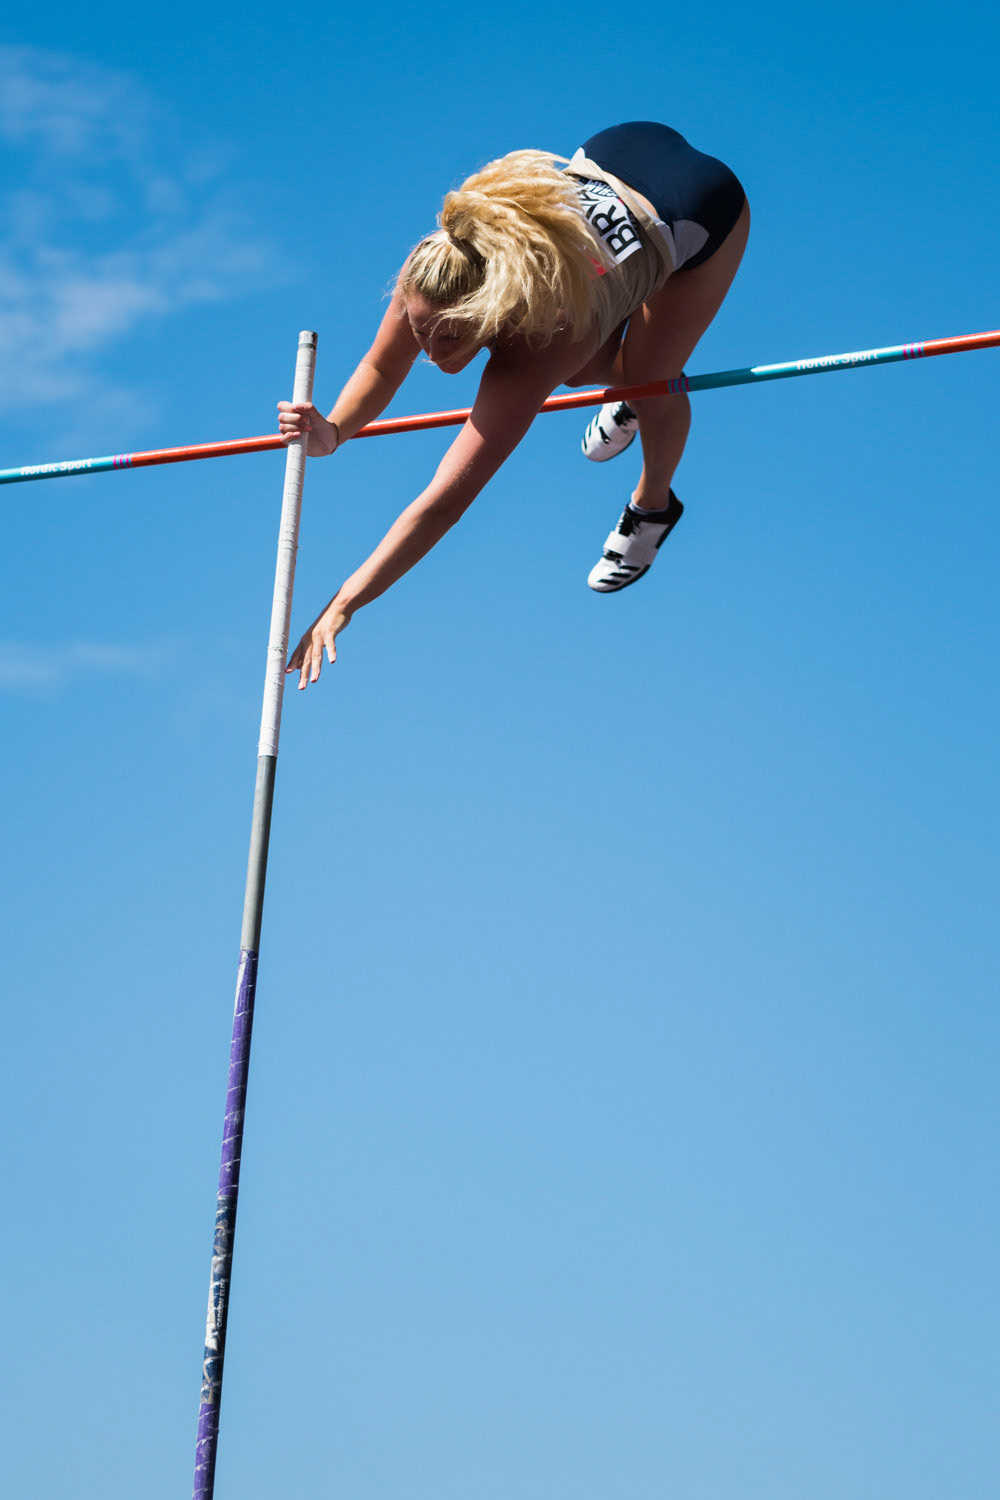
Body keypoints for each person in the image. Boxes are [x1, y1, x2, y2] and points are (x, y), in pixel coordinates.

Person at [280, 121, 749, 689]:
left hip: (699, 206)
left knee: (650, 380)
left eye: (451, 338)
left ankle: (653, 506)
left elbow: (442, 503)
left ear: (492, 311)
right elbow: (383, 365)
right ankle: (618, 386)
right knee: (582, 371)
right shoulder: (438, 265)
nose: (432, 353)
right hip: (620, 151)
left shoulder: (535, 348)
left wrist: (345, 602)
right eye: (423, 332)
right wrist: (333, 431)